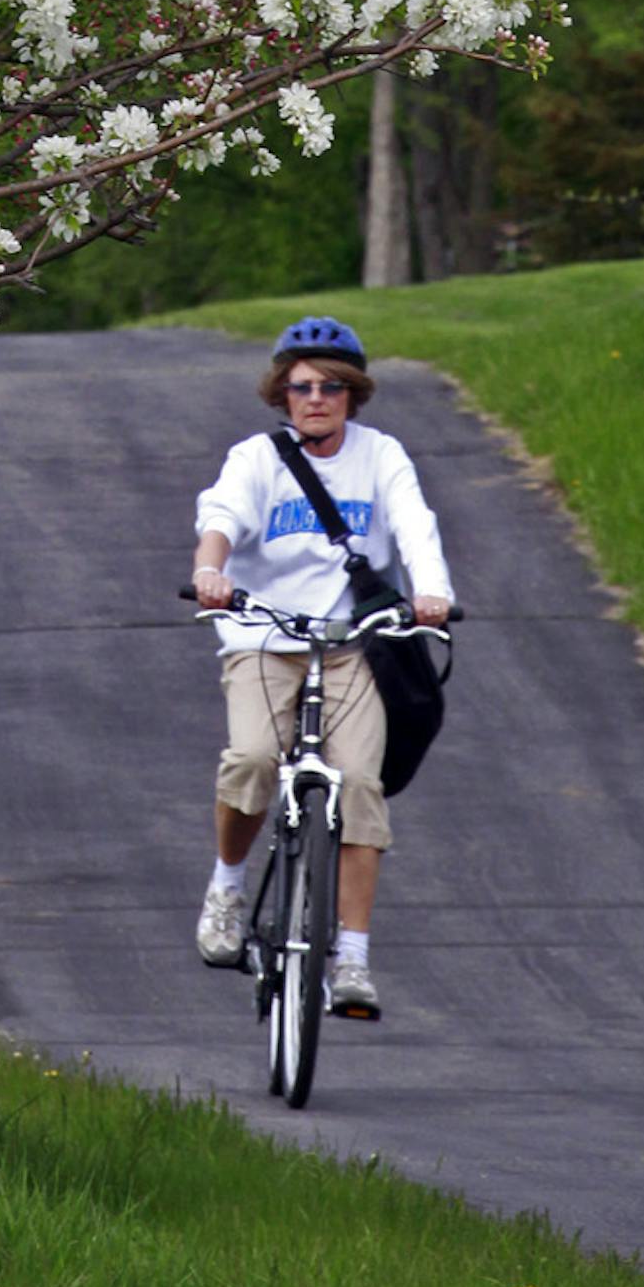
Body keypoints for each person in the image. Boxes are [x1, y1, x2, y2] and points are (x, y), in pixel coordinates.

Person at [189, 315, 453, 1021]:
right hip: (262, 637)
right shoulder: (256, 459)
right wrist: (209, 569)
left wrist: (433, 593)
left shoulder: (381, 455)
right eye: (301, 385)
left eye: (332, 386)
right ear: (282, 392)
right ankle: (227, 887)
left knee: (361, 785)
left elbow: (413, 525)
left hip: (351, 645)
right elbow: (222, 517)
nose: (316, 397)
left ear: (353, 393)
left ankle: (354, 959)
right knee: (250, 759)